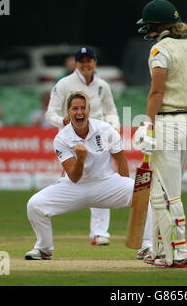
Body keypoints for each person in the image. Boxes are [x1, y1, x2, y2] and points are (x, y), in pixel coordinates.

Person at [25, 92, 152, 260]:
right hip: (74, 187)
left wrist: (127, 188)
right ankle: (44, 248)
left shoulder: (105, 129)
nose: (80, 112)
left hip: (106, 183)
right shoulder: (61, 139)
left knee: (143, 193)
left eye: (83, 108)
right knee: (35, 205)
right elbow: (74, 177)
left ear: (89, 110)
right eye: (75, 108)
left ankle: (147, 246)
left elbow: (121, 161)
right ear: (68, 113)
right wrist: (81, 159)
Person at [134, 0, 187, 268]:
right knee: (162, 192)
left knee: (166, 193)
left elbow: (157, 92)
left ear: (157, 26)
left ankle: (180, 251)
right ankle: (160, 251)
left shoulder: (160, 50)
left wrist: (146, 124)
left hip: (168, 124)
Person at [45, 47, 122, 251]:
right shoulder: (64, 84)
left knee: (101, 176)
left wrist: (114, 128)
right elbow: (50, 113)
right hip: (72, 138)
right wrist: (61, 120)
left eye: (90, 60)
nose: (86, 64)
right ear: (76, 63)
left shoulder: (102, 85)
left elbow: (111, 110)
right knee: (73, 178)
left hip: (98, 136)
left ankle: (100, 232)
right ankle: (51, 210)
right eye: (82, 61)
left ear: (95, 62)